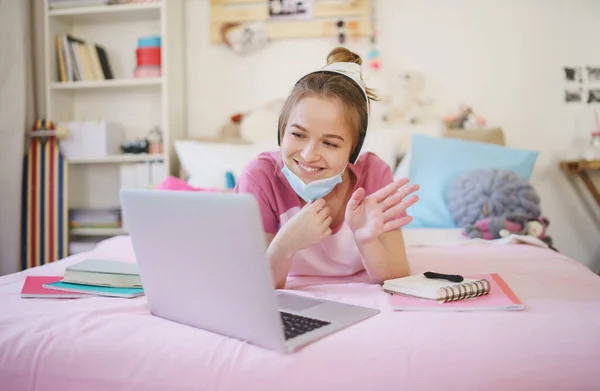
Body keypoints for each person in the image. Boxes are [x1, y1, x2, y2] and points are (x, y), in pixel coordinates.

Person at [234, 47, 419, 289]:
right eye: (298, 134)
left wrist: (366, 240)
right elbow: (253, 288)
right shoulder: (260, 177)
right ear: (282, 132)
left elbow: (397, 279)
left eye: (330, 143)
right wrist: (285, 246)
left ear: (353, 150)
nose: (309, 155)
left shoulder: (374, 176)